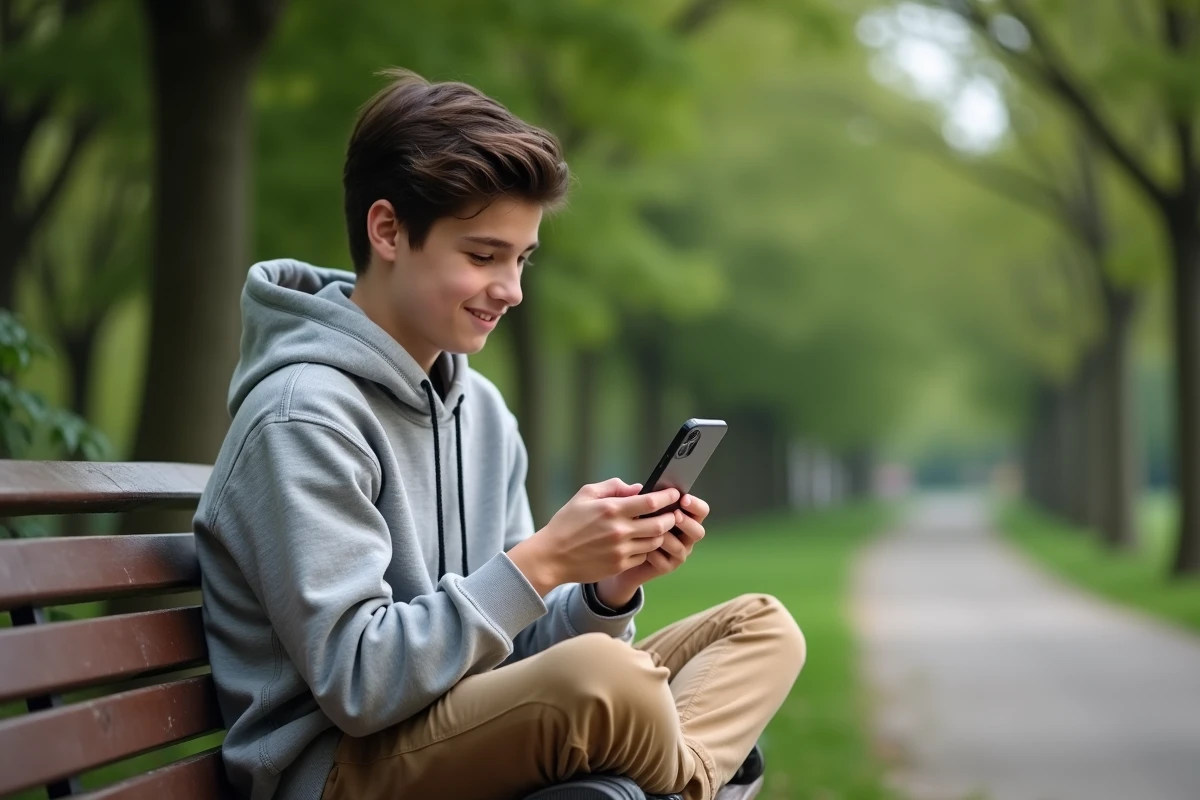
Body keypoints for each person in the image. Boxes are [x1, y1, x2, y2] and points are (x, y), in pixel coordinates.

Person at [193, 69, 806, 800]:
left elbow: (513, 650)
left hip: (464, 722)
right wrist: (542, 562)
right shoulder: (302, 415)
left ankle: (673, 782)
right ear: (387, 230)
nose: (511, 290)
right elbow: (358, 685)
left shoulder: (482, 411)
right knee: (612, 685)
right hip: (340, 770)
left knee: (761, 628)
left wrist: (606, 594)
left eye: (521, 259)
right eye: (483, 256)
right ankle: (696, 781)